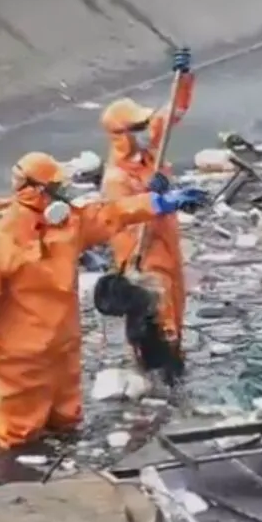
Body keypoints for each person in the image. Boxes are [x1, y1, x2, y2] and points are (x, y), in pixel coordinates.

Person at [0, 150, 207, 450]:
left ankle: (62, 473)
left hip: (63, 345)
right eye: (57, 188)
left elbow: (111, 214)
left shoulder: (67, 226)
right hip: (21, 355)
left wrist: (158, 203)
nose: (64, 195)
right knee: (16, 433)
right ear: (35, 190)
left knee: (67, 420)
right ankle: (10, 486)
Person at [98, 49, 196, 366]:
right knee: (154, 314)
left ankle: (176, 354)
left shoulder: (149, 157)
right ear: (121, 135)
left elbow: (170, 117)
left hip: (167, 246)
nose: (145, 132)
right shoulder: (117, 177)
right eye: (136, 128)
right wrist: (152, 201)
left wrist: (183, 78)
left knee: (176, 304)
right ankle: (155, 365)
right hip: (143, 255)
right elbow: (123, 217)